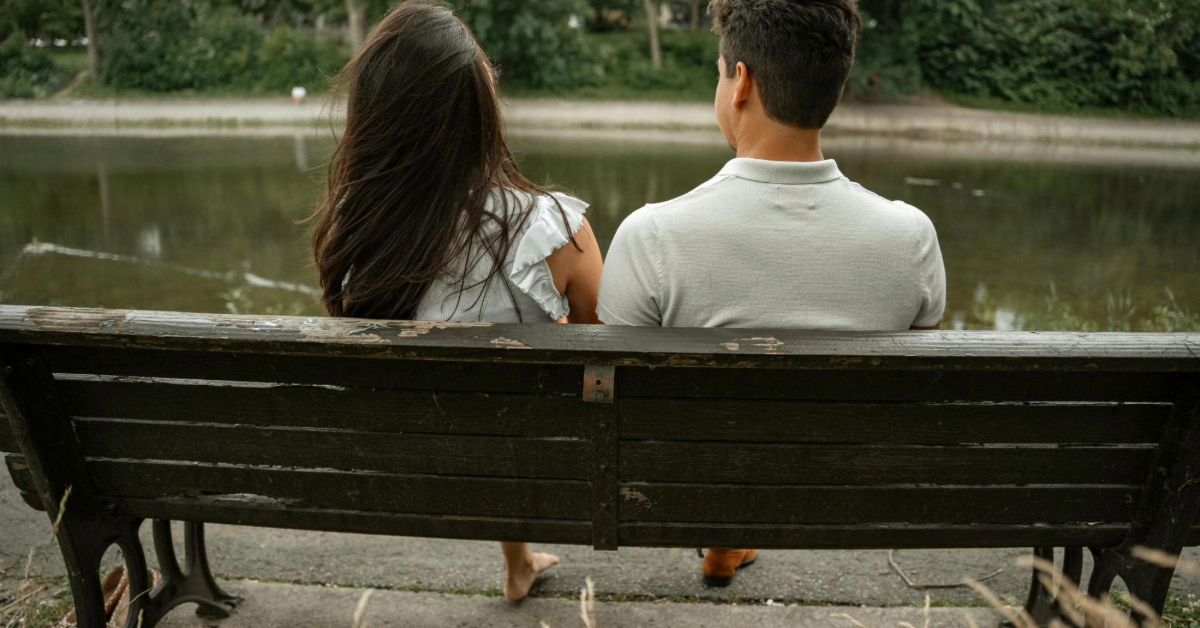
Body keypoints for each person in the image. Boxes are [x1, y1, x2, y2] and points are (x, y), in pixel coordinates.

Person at [597, 0, 946, 587]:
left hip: (685, 484)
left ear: (741, 83)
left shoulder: (651, 234)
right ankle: (730, 537)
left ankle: (724, 529)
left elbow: (620, 392)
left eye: (719, 73)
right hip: (850, 492)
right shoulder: (911, 236)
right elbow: (916, 384)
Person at [308, 1, 603, 602]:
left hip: (408, 463)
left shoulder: (352, 230)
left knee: (481, 403)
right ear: (478, 110)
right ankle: (519, 560)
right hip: (536, 454)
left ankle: (518, 563)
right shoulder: (553, 229)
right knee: (507, 402)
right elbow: (606, 352)